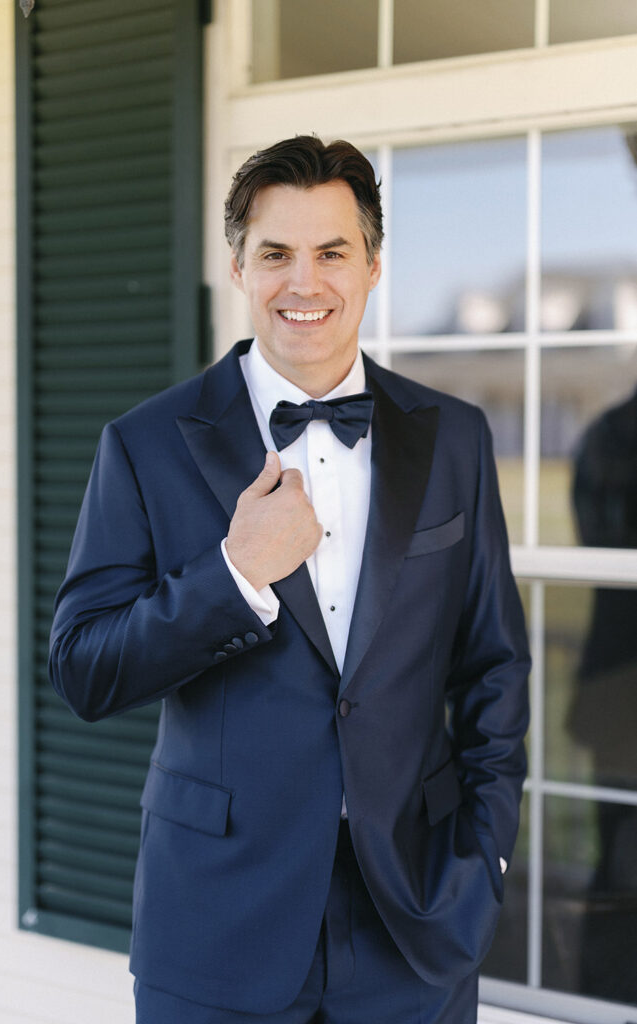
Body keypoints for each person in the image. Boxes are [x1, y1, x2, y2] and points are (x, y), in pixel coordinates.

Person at [49, 135, 530, 1023]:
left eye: (330, 252)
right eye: (275, 254)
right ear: (237, 267)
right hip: (216, 927)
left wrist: (485, 854)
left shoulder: (453, 438)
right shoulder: (145, 443)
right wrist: (235, 575)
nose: (303, 283)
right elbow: (84, 667)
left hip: (414, 923)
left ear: (373, 266)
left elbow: (493, 662)